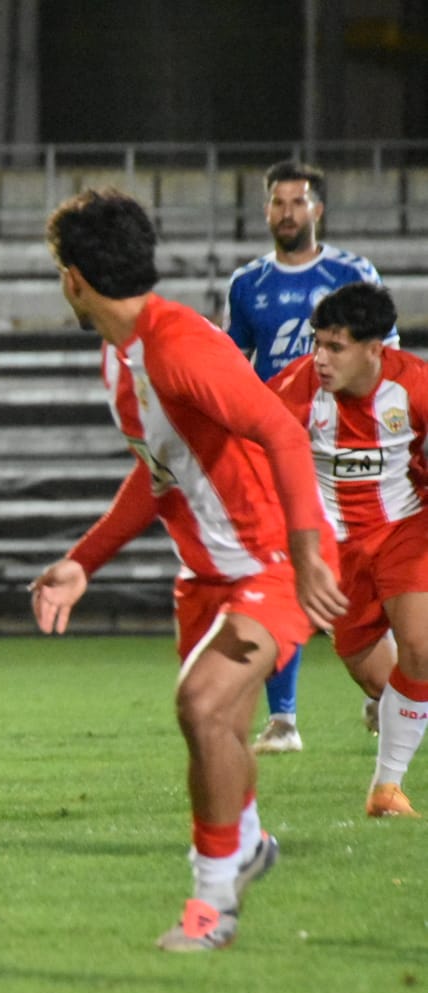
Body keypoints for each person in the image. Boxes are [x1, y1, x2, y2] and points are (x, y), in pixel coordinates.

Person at [32, 189, 346, 952]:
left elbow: (281, 431)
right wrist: (84, 562)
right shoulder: (125, 354)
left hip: (271, 558)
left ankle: (211, 911)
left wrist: (305, 549)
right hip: (207, 573)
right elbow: (159, 472)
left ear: (73, 279)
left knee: (201, 708)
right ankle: (246, 846)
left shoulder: (176, 345)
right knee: (222, 730)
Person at [223, 160, 396, 755]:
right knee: (285, 569)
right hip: (282, 445)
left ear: (317, 210)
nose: (287, 213)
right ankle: (285, 718)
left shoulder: (352, 274)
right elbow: (232, 369)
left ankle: (387, 686)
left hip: (346, 444)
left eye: (298, 202)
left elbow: (386, 360)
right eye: (278, 202)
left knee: (368, 566)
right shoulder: (247, 284)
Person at [267, 283, 428, 818]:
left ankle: (386, 790)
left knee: (420, 650)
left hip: (404, 531)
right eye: (318, 344)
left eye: (336, 347)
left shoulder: (414, 388)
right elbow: (249, 438)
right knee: (387, 689)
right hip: (334, 555)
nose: (321, 358)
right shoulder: (295, 389)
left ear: (375, 349)